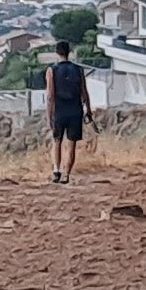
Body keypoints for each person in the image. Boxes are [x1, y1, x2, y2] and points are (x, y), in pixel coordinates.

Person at [45, 40, 90, 183]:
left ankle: (56, 170)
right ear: (69, 52)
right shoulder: (78, 70)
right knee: (71, 144)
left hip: (59, 110)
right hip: (75, 110)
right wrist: (88, 109)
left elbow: (50, 95)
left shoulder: (52, 70)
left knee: (56, 141)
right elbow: (84, 91)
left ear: (56, 53)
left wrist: (49, 114)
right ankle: (66, 174)